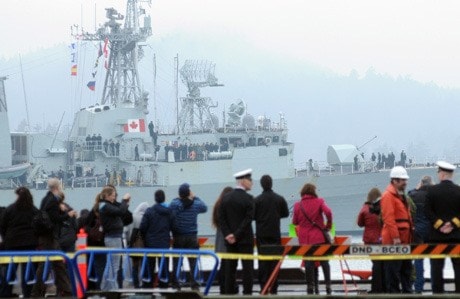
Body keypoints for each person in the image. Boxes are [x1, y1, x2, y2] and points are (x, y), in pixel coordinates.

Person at [32, 178, 75, 297]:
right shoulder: (52, 201)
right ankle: (38, 291)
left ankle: (65, 289)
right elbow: (55, 219)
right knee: (51, 264)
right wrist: (67, 214)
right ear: (57, 187)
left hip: (46, 236)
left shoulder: (45, 199)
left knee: (56, 264)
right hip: (50, 238)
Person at [425, 161, 460, 293]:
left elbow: (427, 211)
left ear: (442, 174)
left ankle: (438, 295)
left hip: (436, 237)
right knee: (458, 270)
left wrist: (440, 225)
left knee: (436, 271)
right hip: (456, 237)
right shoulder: (459, 191)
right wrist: (452, 224)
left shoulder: (432, 191)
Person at [219, 169, 254, 295]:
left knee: (230, 270)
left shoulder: (226, 198)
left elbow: (221, 218)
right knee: (247, 270)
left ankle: (229, 295)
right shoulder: (249, 199)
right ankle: (247, 294)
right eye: (250, 180)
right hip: (245, 240)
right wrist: (237, 234)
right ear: (243, 181)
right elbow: (248, 219)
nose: (252, 183)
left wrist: (229, 234)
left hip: (230, 242)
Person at [292, 183, 332, 295]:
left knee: (309, 262)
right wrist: (328, 226)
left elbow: (294, 222)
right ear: (313, 191)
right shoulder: (319, 201)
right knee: (324, 261)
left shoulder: (297, 205)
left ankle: (310, 287)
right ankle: (328, 286)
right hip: (319, 237)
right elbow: (328, 212)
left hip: (305, 239)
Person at [0, 187, 39, 298]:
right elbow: (39, 224)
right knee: (28, 271)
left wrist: (6, 238)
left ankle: (6, 292)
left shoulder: (10, 209)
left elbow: (2, 225)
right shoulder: (33, 209)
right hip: (30, 244)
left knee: (10, 270)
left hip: (12, 244)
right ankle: (27, 293)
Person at [254, 175, 289, 294]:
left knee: (263, 262)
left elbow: (253, 216)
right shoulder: (279, 199)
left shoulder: (257, 200)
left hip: (261, 236)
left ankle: (263, 287)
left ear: (261, 185)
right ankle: (274, 288)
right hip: (275, 234)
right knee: (275, 263)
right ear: (272, 183)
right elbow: (285, 214)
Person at [380, 166, 413, 293]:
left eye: (405, 180)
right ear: (394, 180)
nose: (405, 182)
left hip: (405, 240)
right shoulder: (388, 196)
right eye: (402, 180)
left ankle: (407, 293)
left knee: (406, 271)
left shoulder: (400, 196)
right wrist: (395, 237)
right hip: (394, 241)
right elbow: (389, 218)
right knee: (393, 274)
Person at [169, 183, 207, 290]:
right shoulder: (195, 204)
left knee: (177, 261)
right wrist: (194, 197)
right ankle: (194, 284)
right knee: (193, 262)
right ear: (189, 192)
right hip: (192, 237)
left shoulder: (174, 203)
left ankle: (176, 284)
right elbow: (204, 207)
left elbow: (172, 206)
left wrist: (179, 198)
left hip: (178, 237)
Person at [98, 185, 131, 291]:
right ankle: (112, 288)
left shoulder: (106, 205)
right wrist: (124, 200)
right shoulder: (105, 206)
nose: (114, 198)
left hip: (114, 237)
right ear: (107, 196)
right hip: (113, 238)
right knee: (114, 265)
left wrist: (124, 203)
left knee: (111, 264)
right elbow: (120, 211)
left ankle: (105, 287)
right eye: (112, 195)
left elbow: (122, 210)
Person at [140, 190, 174, 288]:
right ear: (164, 198)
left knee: (149, 266)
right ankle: (164, 286)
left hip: (150, 244)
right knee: (164, 266)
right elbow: (174, 226)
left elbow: (142, 227)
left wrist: (146, 237)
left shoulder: (149, 211)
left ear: (155, 198)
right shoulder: (169, 212)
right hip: (164, 243)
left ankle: (147, 286)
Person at [357, 188, 385, 293]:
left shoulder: (365, 208)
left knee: (376, 264)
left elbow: (360, 223)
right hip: (382, 239)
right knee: (382, 264)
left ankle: (376, 289)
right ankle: (384, 288)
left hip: (370, 240)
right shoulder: (383, 206)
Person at [408, 176, 432, 293]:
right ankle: (437, 286)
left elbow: (409, 194)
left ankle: (418, 287)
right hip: (432, 231)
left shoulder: (414, 194)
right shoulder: (433, 194)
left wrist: (416, 189)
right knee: (435, 259)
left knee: (418, 259)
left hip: (418, 231)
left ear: (421, 183)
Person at [211, 186, 234, 294]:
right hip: (227, 236)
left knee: (223, 264)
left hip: (220, 236)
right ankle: (228, 286)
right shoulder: (227, 206)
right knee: (228, 265)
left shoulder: (217, 205)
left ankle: (222, 286)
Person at [127, 201, 149, 288]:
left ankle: (136, 284)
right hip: (144, 244)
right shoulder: (147, 216)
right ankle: (144, 283)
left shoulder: (133, 216)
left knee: (135, 266)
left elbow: (130, 231)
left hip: (135, 244)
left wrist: (130, 243)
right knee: (144, 265)